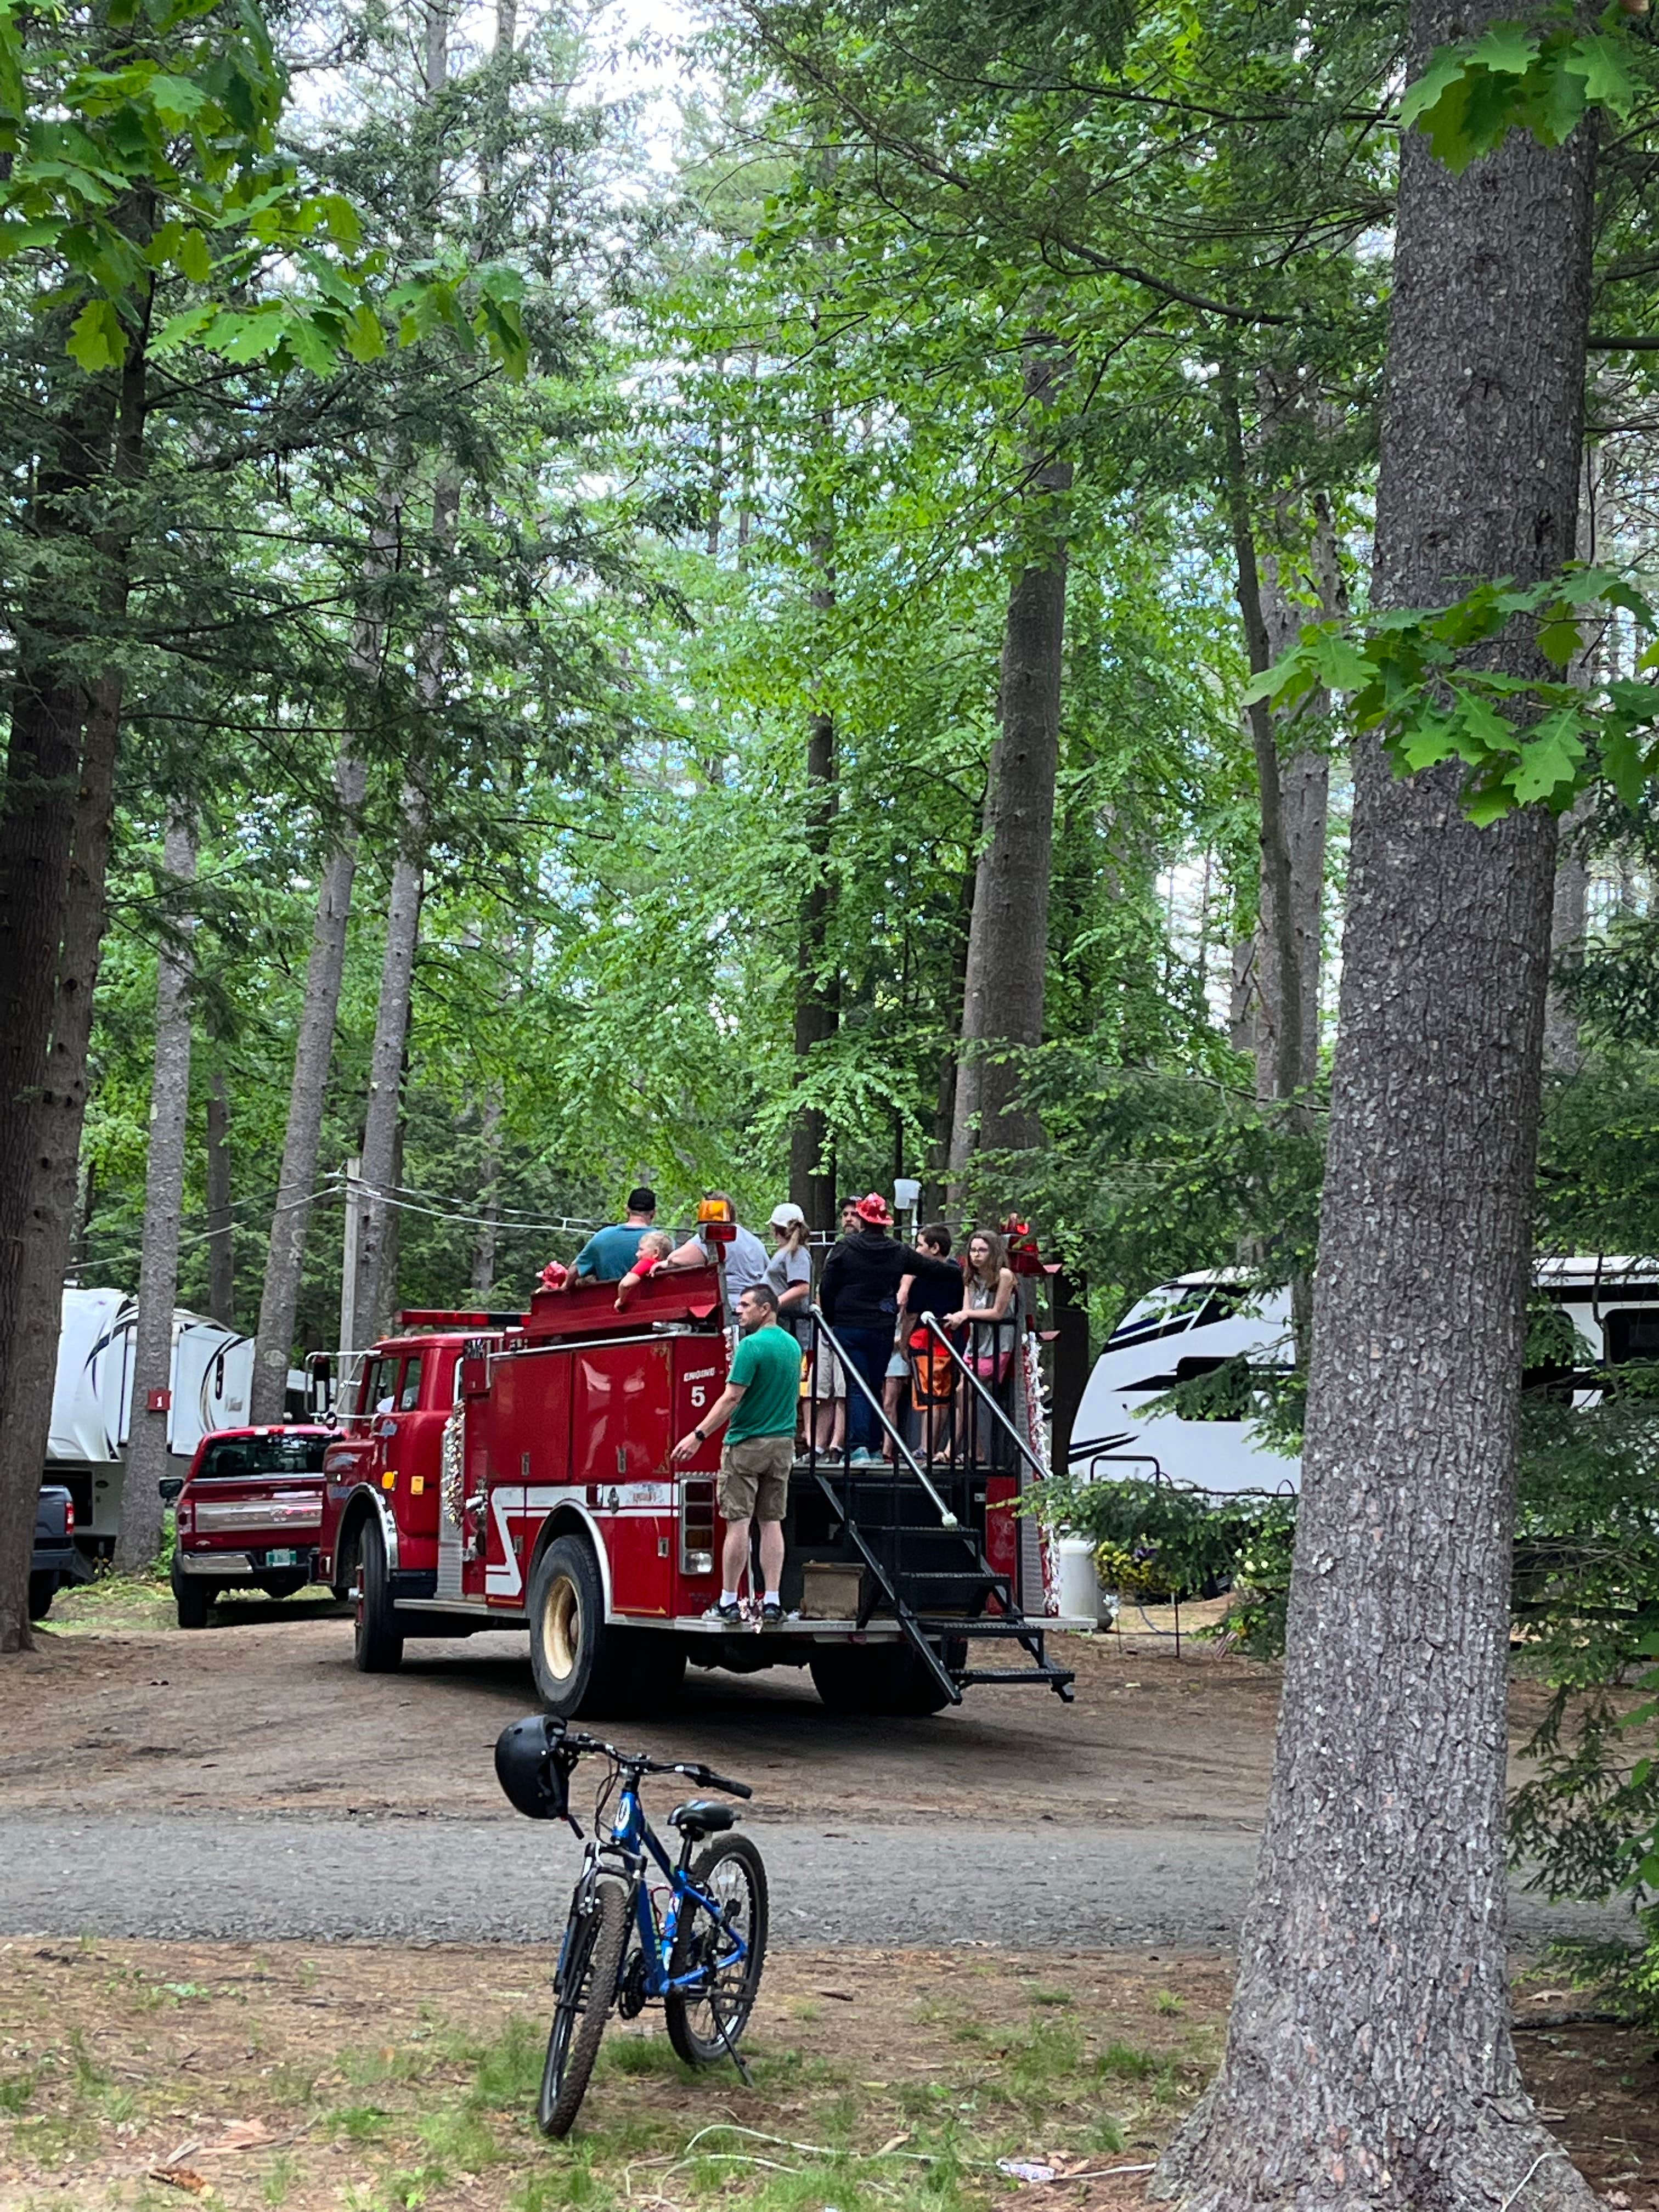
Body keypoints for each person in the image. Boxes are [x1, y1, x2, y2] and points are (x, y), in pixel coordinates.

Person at [671, 1282, 802, 1623]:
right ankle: (772, 1600)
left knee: (738, 1523)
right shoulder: (793, 1346)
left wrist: (698, 1435)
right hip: (782, 1445)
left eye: (746, 1305)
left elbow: (732, 1397)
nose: (739, 1311)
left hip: (745, 1444)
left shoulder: (751, 1347)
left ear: (766, 1309)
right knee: (772, 1522)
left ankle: (729, 1601)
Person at [817, 1193, 921, 1462]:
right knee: (875, 1385)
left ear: (863, 1219)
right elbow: (929, 1267)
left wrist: (831, 1318)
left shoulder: (844, 1249)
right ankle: (873, 1447)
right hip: (882, 1328)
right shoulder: (897, 1251)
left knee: (857, 1385)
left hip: (849, 1327)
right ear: (884, 1223)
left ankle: (860, 1446)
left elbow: (827, 1286)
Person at [944, 1229, 1019, 1451]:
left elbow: (997, 1312)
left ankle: (954, 1449)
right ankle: (973, 1448)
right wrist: (960, 1317)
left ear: (993, 1252)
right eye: (973, 1250)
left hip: (997, 1344)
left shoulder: (1004, 1276)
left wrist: (965, 1315)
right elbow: (967, 1310)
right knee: (963, 1393)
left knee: (964, 1391)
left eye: (982, 1250)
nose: (976, 1255)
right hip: (976, 1344)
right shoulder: (970, 1277)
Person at [895, 1224, 963, 1462]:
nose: (916, 1250)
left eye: (921, 1245)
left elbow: (912, 1314)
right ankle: (930, 1446)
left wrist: (904, 1342)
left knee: (930, 1397)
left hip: (926, 1341)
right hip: (951, 1341)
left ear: (935, 1248)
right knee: (940, 1397)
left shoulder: (925, 1276)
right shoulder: (958, 1273)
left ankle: (926, 1447)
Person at [669, 1192, 769, 1322]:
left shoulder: (715, 1236)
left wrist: (664, 1263)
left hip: (729, 1311)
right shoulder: (755, 1242)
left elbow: (677, 1259)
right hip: (757, 1311)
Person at [569, 1187, 657, 1284]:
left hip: (606, 1297)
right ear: (653, 1213)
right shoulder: (660, 1240)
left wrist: (564, 1287)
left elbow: (574, 1270)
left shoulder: (602, 1236)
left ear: (627, 1210)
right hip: (646, 1297)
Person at [614, 1229, 675, 1310]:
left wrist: (621, 1300)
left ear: (656, 1252)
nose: (637, 1254)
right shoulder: (668, 1267)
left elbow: (625, 1284)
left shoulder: (647, 1263)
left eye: (641, 1250)